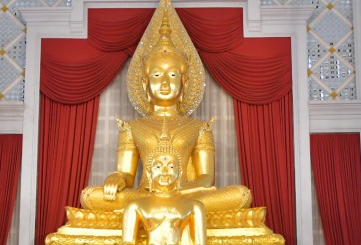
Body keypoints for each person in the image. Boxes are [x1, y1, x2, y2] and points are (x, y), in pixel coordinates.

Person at [79, 6, 250, 213]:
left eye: (173, 75)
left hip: (185, 196)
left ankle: (168, 206)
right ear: (144, 84)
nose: (165, 83)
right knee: (90, 196)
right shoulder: (131, 128)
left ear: (185, 82)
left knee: (241, 194)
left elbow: (206, 178)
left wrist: (176, 189)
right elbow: (127, 175)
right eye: (158, 75)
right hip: (146, 196)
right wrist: (117, 177)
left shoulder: (200, 128)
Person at [92, 145, 236, 245]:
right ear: (149, 173)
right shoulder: (135, 205)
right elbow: (129, 243)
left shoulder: (194, 205)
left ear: (179, 172)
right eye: (158, 167)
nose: (165, 171)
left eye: (171, 166)